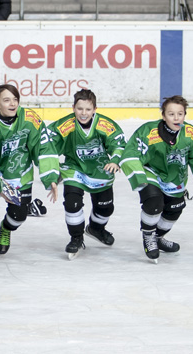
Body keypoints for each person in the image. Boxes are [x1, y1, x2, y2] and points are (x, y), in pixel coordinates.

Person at [120, 95, 193, 263]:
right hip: (151, 173)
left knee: (175, 208)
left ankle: (158, 237)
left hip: (175, 177)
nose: (176, 118)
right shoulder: (148, 132)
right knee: (154, 201)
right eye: (171, 114)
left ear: (185, 115)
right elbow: (131, 153)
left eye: (180, 114)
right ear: (163, 116)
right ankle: (148, 235)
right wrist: (137, 175)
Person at [0, 84, 59, 256]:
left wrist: (50, 176)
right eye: (6, 100)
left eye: (15, 99)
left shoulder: (29, 119)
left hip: (20, 175)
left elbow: (43, 147)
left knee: (19, 216)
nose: (12, 104)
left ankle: (6, 229)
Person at [48, 89, 127, 260]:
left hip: (100, 169)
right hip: (74, 168)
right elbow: (47, 145)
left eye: (88, 109)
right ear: (73, 108)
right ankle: (76, 237)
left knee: (106, 208)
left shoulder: (105, 125)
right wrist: (51, 172)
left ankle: (96, 229)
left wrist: (115, 160)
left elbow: (119, 143)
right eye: (79, 109)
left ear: (95, 109)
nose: (83, 113)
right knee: (72, 203)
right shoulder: (65, 125)